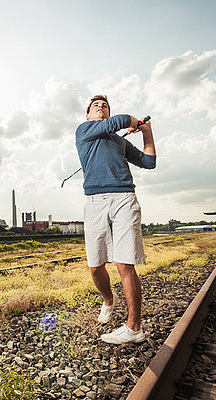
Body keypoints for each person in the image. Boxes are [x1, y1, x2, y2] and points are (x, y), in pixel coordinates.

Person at [75, 95, 156, 344]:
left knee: (125, 263)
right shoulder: (84, 130)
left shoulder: (119, 141)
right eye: (96, 106)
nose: (101, 108)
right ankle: (109, 300)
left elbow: (148, 161)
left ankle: (134, 328)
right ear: (88, 115)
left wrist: (146, 130)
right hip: (95, 202)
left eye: (105, 106)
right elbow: (120, 120)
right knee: (95, 265)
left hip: (124, 199)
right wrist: (132, 120)